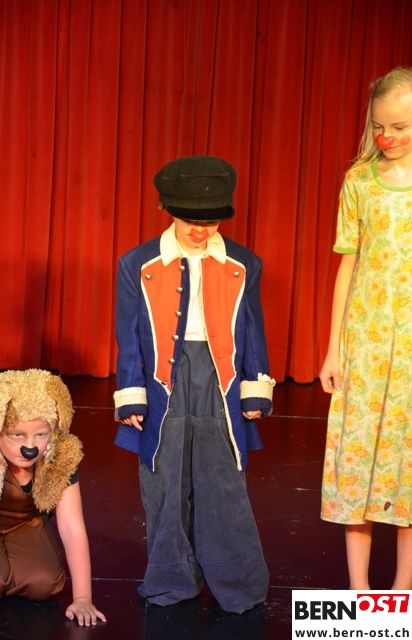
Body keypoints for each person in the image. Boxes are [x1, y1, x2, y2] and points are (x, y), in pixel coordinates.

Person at [113, 155, 275, 614]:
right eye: (191, 221)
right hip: (162, 380)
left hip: (220, 379)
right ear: (168, 210)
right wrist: (131, 392)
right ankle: (171, 578)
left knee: (223, 479)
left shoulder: (244, 263)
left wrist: (255, 387)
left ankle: (238, 583)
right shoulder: (137, 263)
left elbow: (252, 328)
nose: (202, 232)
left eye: (212, 222)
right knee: (163, 479)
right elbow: (129, 333)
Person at [319, 67, 412, 590]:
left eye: (400, 127)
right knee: (357, 457)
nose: (387, 137)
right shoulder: (359, 181)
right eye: (379, 126)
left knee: (407, 462)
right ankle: (360, 595)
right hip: (366, 341)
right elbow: (347, 265)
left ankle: (401, 593)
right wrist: (333, 350)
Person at [0, 368, 107, 626]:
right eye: (17, 435)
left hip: (27, 525)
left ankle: (10, 569)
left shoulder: (59, 456)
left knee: (44, 583)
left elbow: (71, 525)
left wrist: (83, 598)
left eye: (40, 435)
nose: (30, 448)